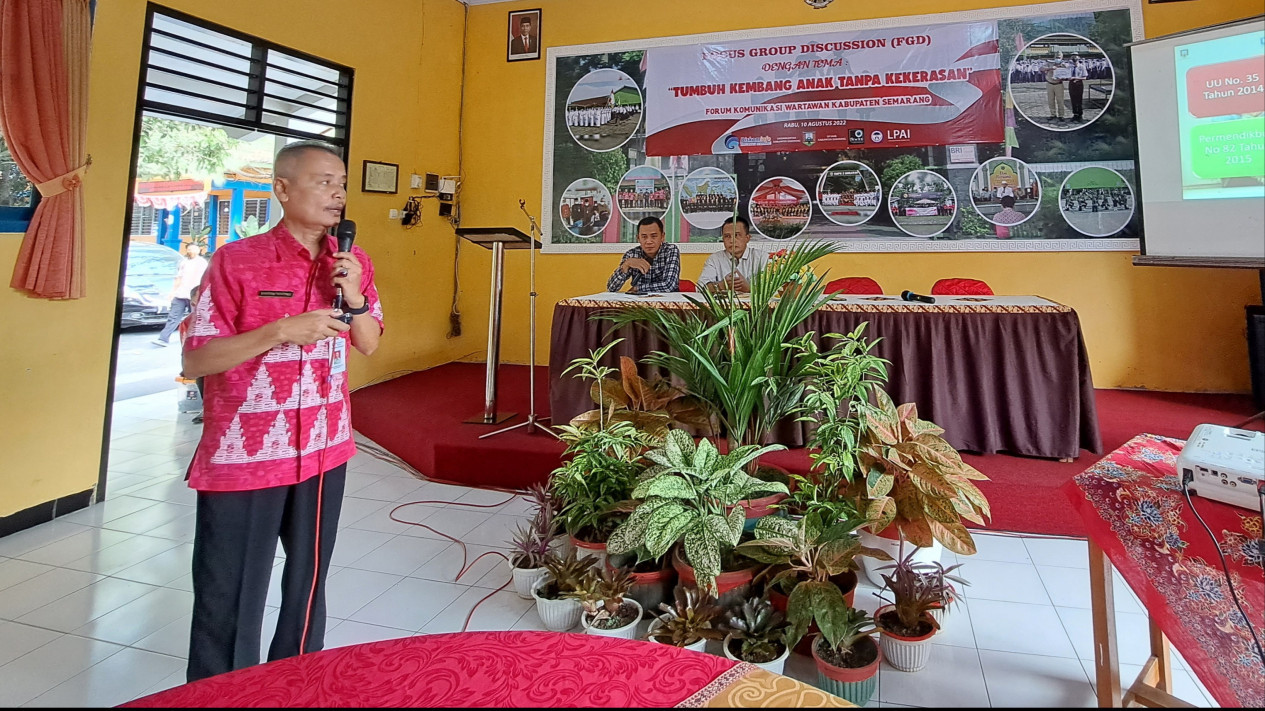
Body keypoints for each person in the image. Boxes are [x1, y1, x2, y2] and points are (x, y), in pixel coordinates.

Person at [181, 140, 383, 683]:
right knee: (230, 593)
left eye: (341, 183)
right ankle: (220, 692)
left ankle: (295, 683)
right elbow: (197, 357)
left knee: (308, 583)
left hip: (324, 449)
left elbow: (368, 343)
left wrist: (356, 296)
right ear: (283, 189)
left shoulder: (351, 260)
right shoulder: (236, 261)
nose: (337, 194)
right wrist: (278, 332)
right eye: (323, 182)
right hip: (247, 458)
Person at [152, 241, 208, 347]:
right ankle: (163, 339)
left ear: (199, 250)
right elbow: (178, 278)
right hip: (180, 294)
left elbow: (206, 279)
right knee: (173, 317)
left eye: (194, 249)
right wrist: (172, 292)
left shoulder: (202, 263)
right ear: (187, 250)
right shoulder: (184, 263)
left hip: (194, 295)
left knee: (196, 317)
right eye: (190, 249)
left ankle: (197, 340)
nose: (192, 251)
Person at [606, 216, 680, 293]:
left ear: (662, 237)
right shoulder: (632, 254)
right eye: (644, 237)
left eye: (654, 236)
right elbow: (611, 288)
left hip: (667, 302)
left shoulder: (670, 250)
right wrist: (626, 265)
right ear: (638, 238)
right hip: (640, 303)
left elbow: (669, 286)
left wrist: (638, 288)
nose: (649, 241)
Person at [697, 215, 766, 294]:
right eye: (727, 236)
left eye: (737, 235)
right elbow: (700, 287)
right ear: (723, 239)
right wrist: (722, 285)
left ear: (747, 238)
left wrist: (749, 288)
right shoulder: (714, 259)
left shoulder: (762, 257)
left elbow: (772, 289)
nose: (732, 240)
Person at [1068, 56, 1088, 121]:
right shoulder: (1070, 67)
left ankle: (1080, 115)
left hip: (1079, 84)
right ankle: (1075, 114)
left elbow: (1084, 78)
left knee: (1079, 100)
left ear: (1078, 60)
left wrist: (1075, 78)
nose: (1074, 63)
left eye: (1076, 61)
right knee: (1073, 100)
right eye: (1073, 61)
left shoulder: (1082, 67)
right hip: (1071, 84)